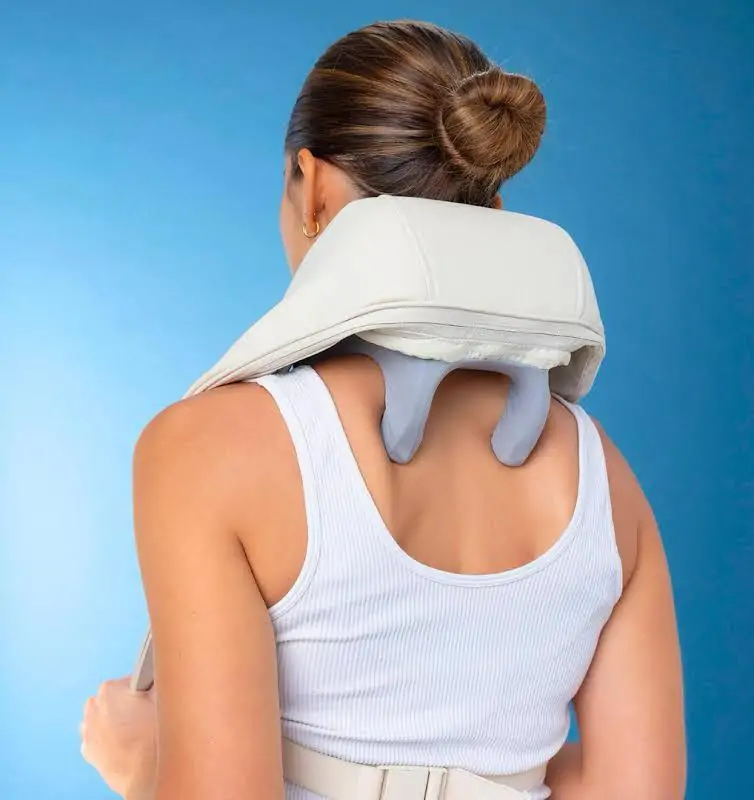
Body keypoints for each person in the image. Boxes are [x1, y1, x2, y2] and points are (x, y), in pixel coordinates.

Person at [80, 19, 686, 800]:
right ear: (490, 207)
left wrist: (144, 768)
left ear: (314, 189)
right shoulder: (603, 477)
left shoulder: (210, 446)